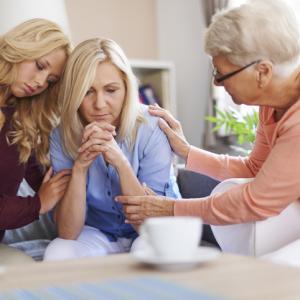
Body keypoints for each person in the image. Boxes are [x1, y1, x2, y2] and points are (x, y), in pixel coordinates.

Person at [117, 0, 300, 228]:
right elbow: (255, 169)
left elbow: (255, 201)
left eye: (222, 74)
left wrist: (170, 208)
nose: (216, 82)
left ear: (262, 72)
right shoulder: (271, 104)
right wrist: (187, 151)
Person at [43, 38, 180, 261]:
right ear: (75, 94)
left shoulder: (153, 127)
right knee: (58, 252)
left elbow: (151, 227)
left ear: (127, 88)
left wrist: (121, 163)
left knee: (151, 250)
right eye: (87, 92)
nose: (99, 104)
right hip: (98, 232)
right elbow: (68, 232)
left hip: (151, 230)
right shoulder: (61, 135)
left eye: (111, 90)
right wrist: (79, 168)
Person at [0, 18, 72, 244]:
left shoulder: (19, 119)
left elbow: (41, 175)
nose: (40, 82)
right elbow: (43, 195)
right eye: (40, 66)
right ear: (20, 47)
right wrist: (38, 204)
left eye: (51, 81)